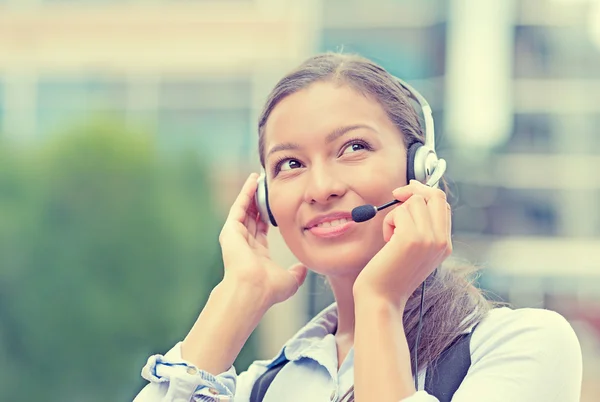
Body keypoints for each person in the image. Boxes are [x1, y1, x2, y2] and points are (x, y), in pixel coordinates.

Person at [132, 53, 582, 402]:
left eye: (352, 147)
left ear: (418, 169)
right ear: (267, 199)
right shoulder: (263, 387)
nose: (322, 187)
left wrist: (380, 303)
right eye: (290, 164)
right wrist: (236, 295)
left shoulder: (523, 346)